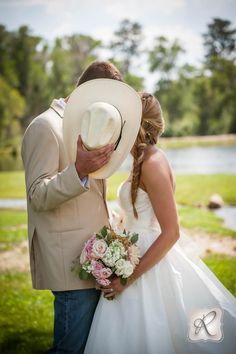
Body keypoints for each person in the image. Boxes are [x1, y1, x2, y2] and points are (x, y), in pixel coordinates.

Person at [84, 93, 236, 354]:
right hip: (132, 253)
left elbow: (171, 232)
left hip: (147, 263)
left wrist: (127, 278)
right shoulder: (141, 162)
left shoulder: (152, 163)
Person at [21, 61, 124, 353]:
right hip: (69, 264)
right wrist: (78, 169)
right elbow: (37, 195)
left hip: (96, 261)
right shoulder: (45, 126)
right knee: (70, 350)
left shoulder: (93, 124)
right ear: (89, 91)